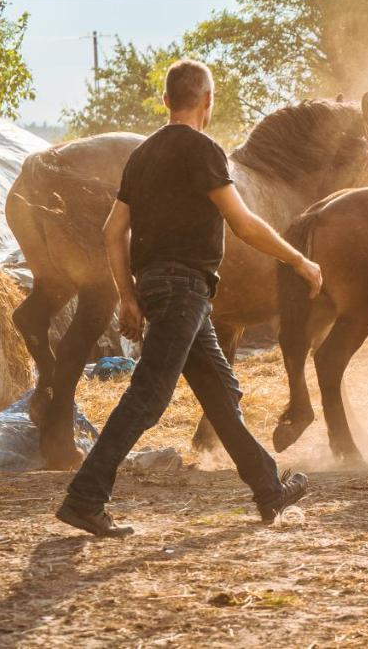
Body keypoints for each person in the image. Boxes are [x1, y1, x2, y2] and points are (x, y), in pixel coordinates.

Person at [56, 59, 324, 538]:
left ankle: (269, 491)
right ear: (207, 101)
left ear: (165, 101)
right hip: (184, 290)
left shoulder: (142, 156)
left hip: (174, 292)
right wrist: (298, 260)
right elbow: (242, 224)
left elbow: (112, 232)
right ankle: (84, 498)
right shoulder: (203, 149)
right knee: (148, 397)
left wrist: (129, 297)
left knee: (222, 394)